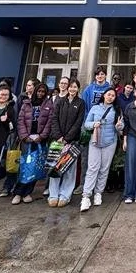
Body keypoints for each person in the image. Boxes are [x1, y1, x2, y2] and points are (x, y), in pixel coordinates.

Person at [80, 87, 119, 211]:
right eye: (108, 95)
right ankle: (86, 196)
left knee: (104, 168)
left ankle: (98, 193)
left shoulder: (116, 110)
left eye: (113, 95)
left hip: (110, 142)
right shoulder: (95, 108)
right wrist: (93, 124)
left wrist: (120, 126)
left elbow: (120, 126)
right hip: (95, 141)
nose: (110, 97)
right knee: (92, 168)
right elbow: (86, 124)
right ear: (104, 95)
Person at [11, 83, 52, 205]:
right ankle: (18, 192)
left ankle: (28, 192)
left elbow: (49, 122)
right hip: (27, 140)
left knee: (35, 165)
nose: (40, 94)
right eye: (38, 91)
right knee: (24, 165)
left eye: (43, 92)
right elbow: (20, 120)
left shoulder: (49, 105)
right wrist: (24, 136)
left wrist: (42, 136)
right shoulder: (26, 104)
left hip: (39, 140)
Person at [48, 79, 85, 207]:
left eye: (75, 87)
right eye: (71, 87)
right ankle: (53, 195)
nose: (72, 89)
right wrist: (58, 136)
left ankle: (65, 195)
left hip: (71, 141)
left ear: (78, 89)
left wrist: (67, 138)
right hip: (57, 141)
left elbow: (78, 123)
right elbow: (54, 119)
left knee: (69, 168)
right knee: (55, 167)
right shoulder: (60, 102)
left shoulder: (80, 103)